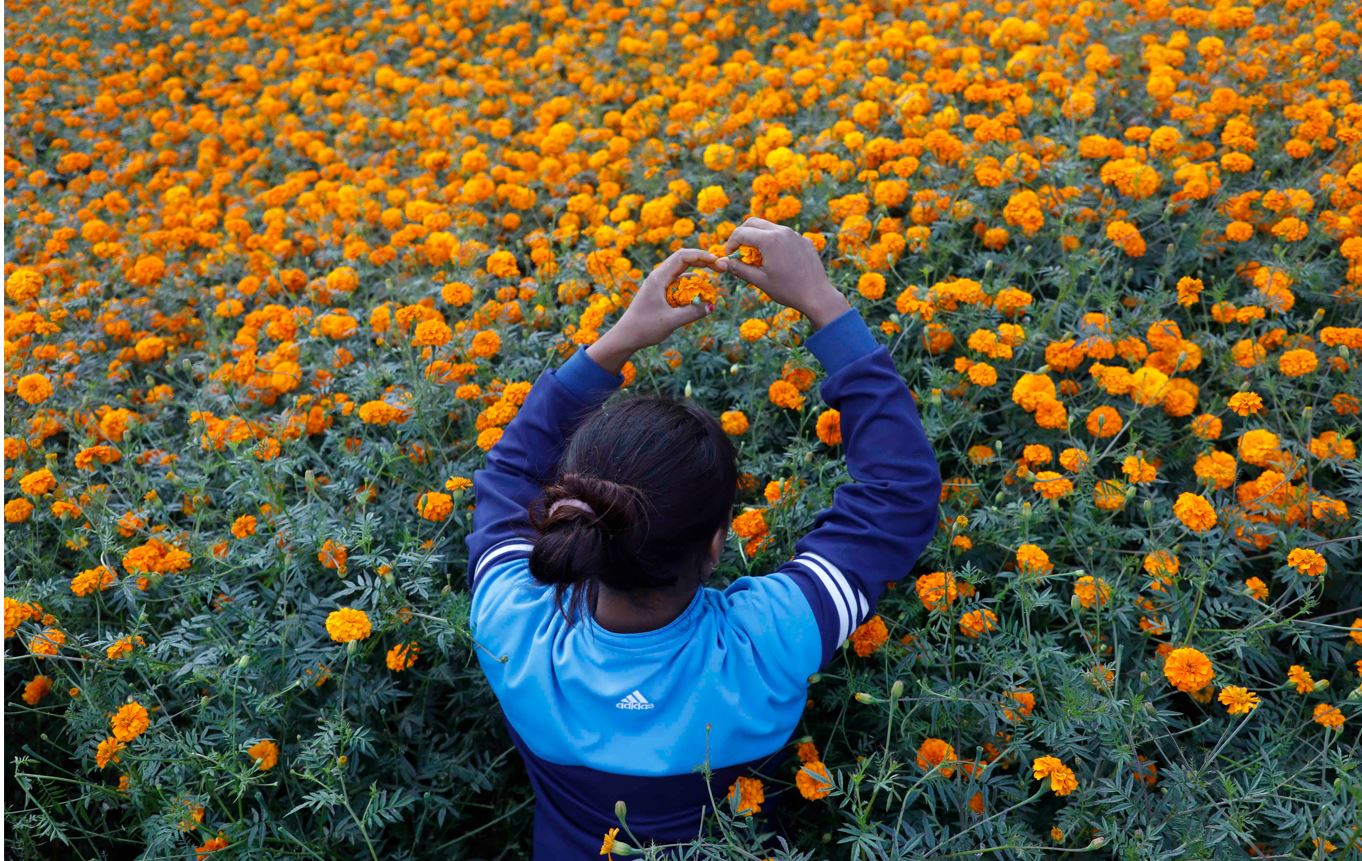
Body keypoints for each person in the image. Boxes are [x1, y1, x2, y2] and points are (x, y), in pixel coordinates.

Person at [466, 217, 942, 857]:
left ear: (572, 510)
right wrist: (822, 302)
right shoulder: (765, 641)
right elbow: (898, 494)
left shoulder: (513, 623)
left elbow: (508, 472)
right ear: (717, 543)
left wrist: (614, 343)